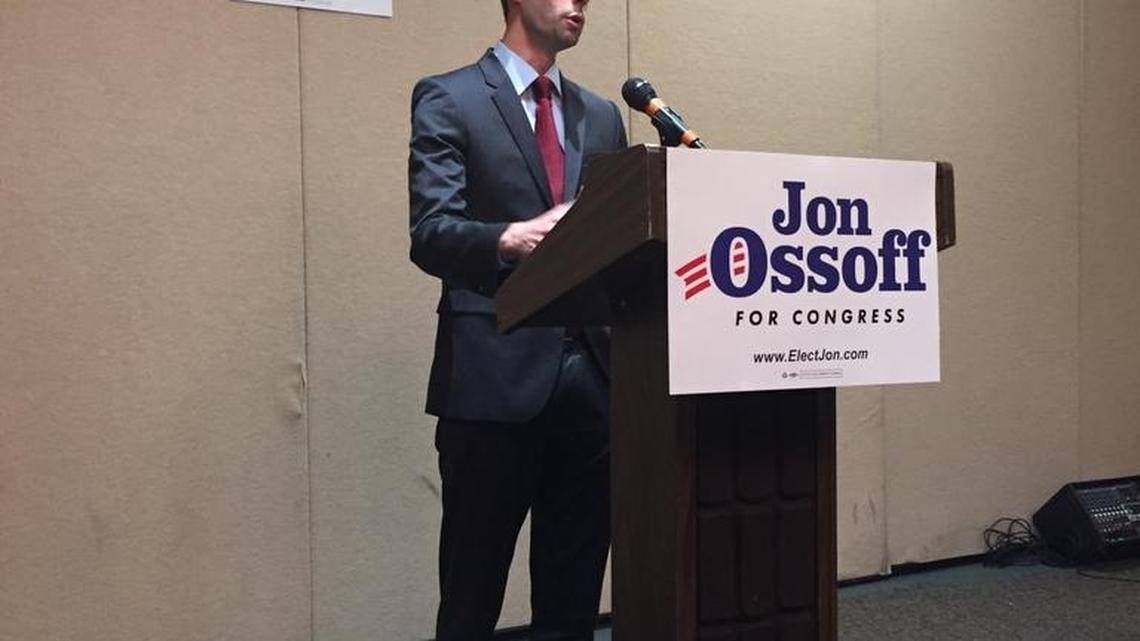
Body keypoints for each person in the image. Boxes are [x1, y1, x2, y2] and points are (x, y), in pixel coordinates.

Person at [407, 1, 628, 639]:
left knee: (574, 599)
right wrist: (507, 238)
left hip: (594, 380)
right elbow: (430, 232)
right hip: (491, 379)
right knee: (472, 598)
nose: (579, 3)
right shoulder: (449, 98)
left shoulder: (604, 115)